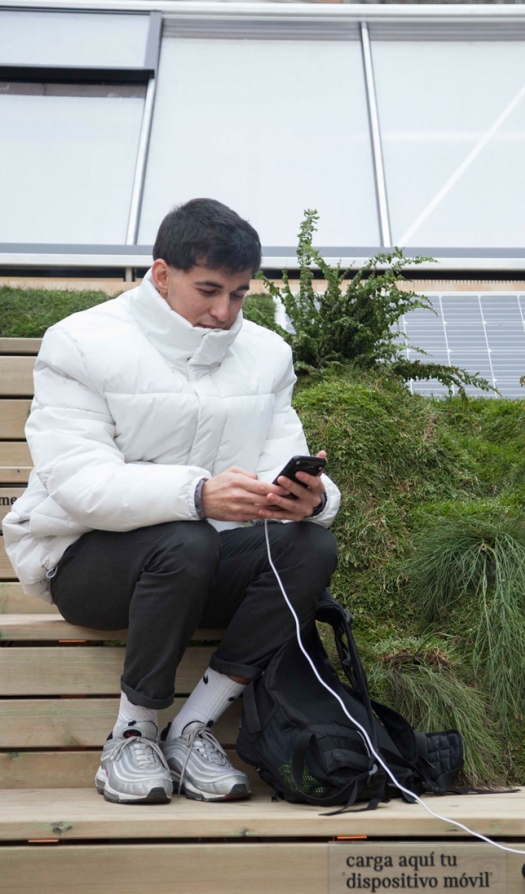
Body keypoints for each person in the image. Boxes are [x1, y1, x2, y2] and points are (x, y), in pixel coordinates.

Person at [3, 198, 340, 806]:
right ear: (161, 274)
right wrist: (197, 494)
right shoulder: (80, 342)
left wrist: (305, 500)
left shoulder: (266, 354)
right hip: (89, 566)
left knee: (309, 545)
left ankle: (192, 728)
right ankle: (132, 733)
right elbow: (80, 484)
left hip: (206, 561)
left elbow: (280, 458)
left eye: (239, 294)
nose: (224, 311)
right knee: (186, 538)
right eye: (208, 290)